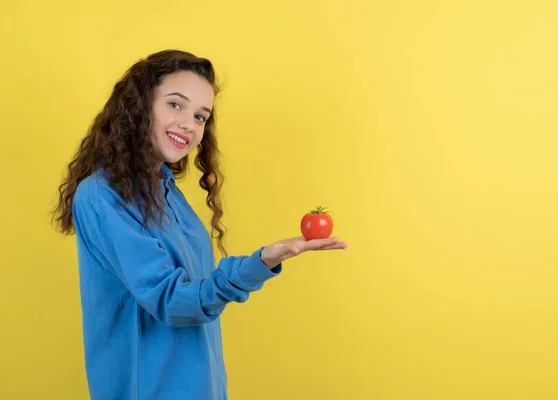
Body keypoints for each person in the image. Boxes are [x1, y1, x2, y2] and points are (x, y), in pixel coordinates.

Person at [52, 49, 348, 400]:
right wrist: (260, 262)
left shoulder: (167, 190)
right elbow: (172, 300)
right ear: (139, 105)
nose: (189, 125)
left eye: (200, 116)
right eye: (175, 105)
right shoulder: (102, 195)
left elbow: (197, 298)